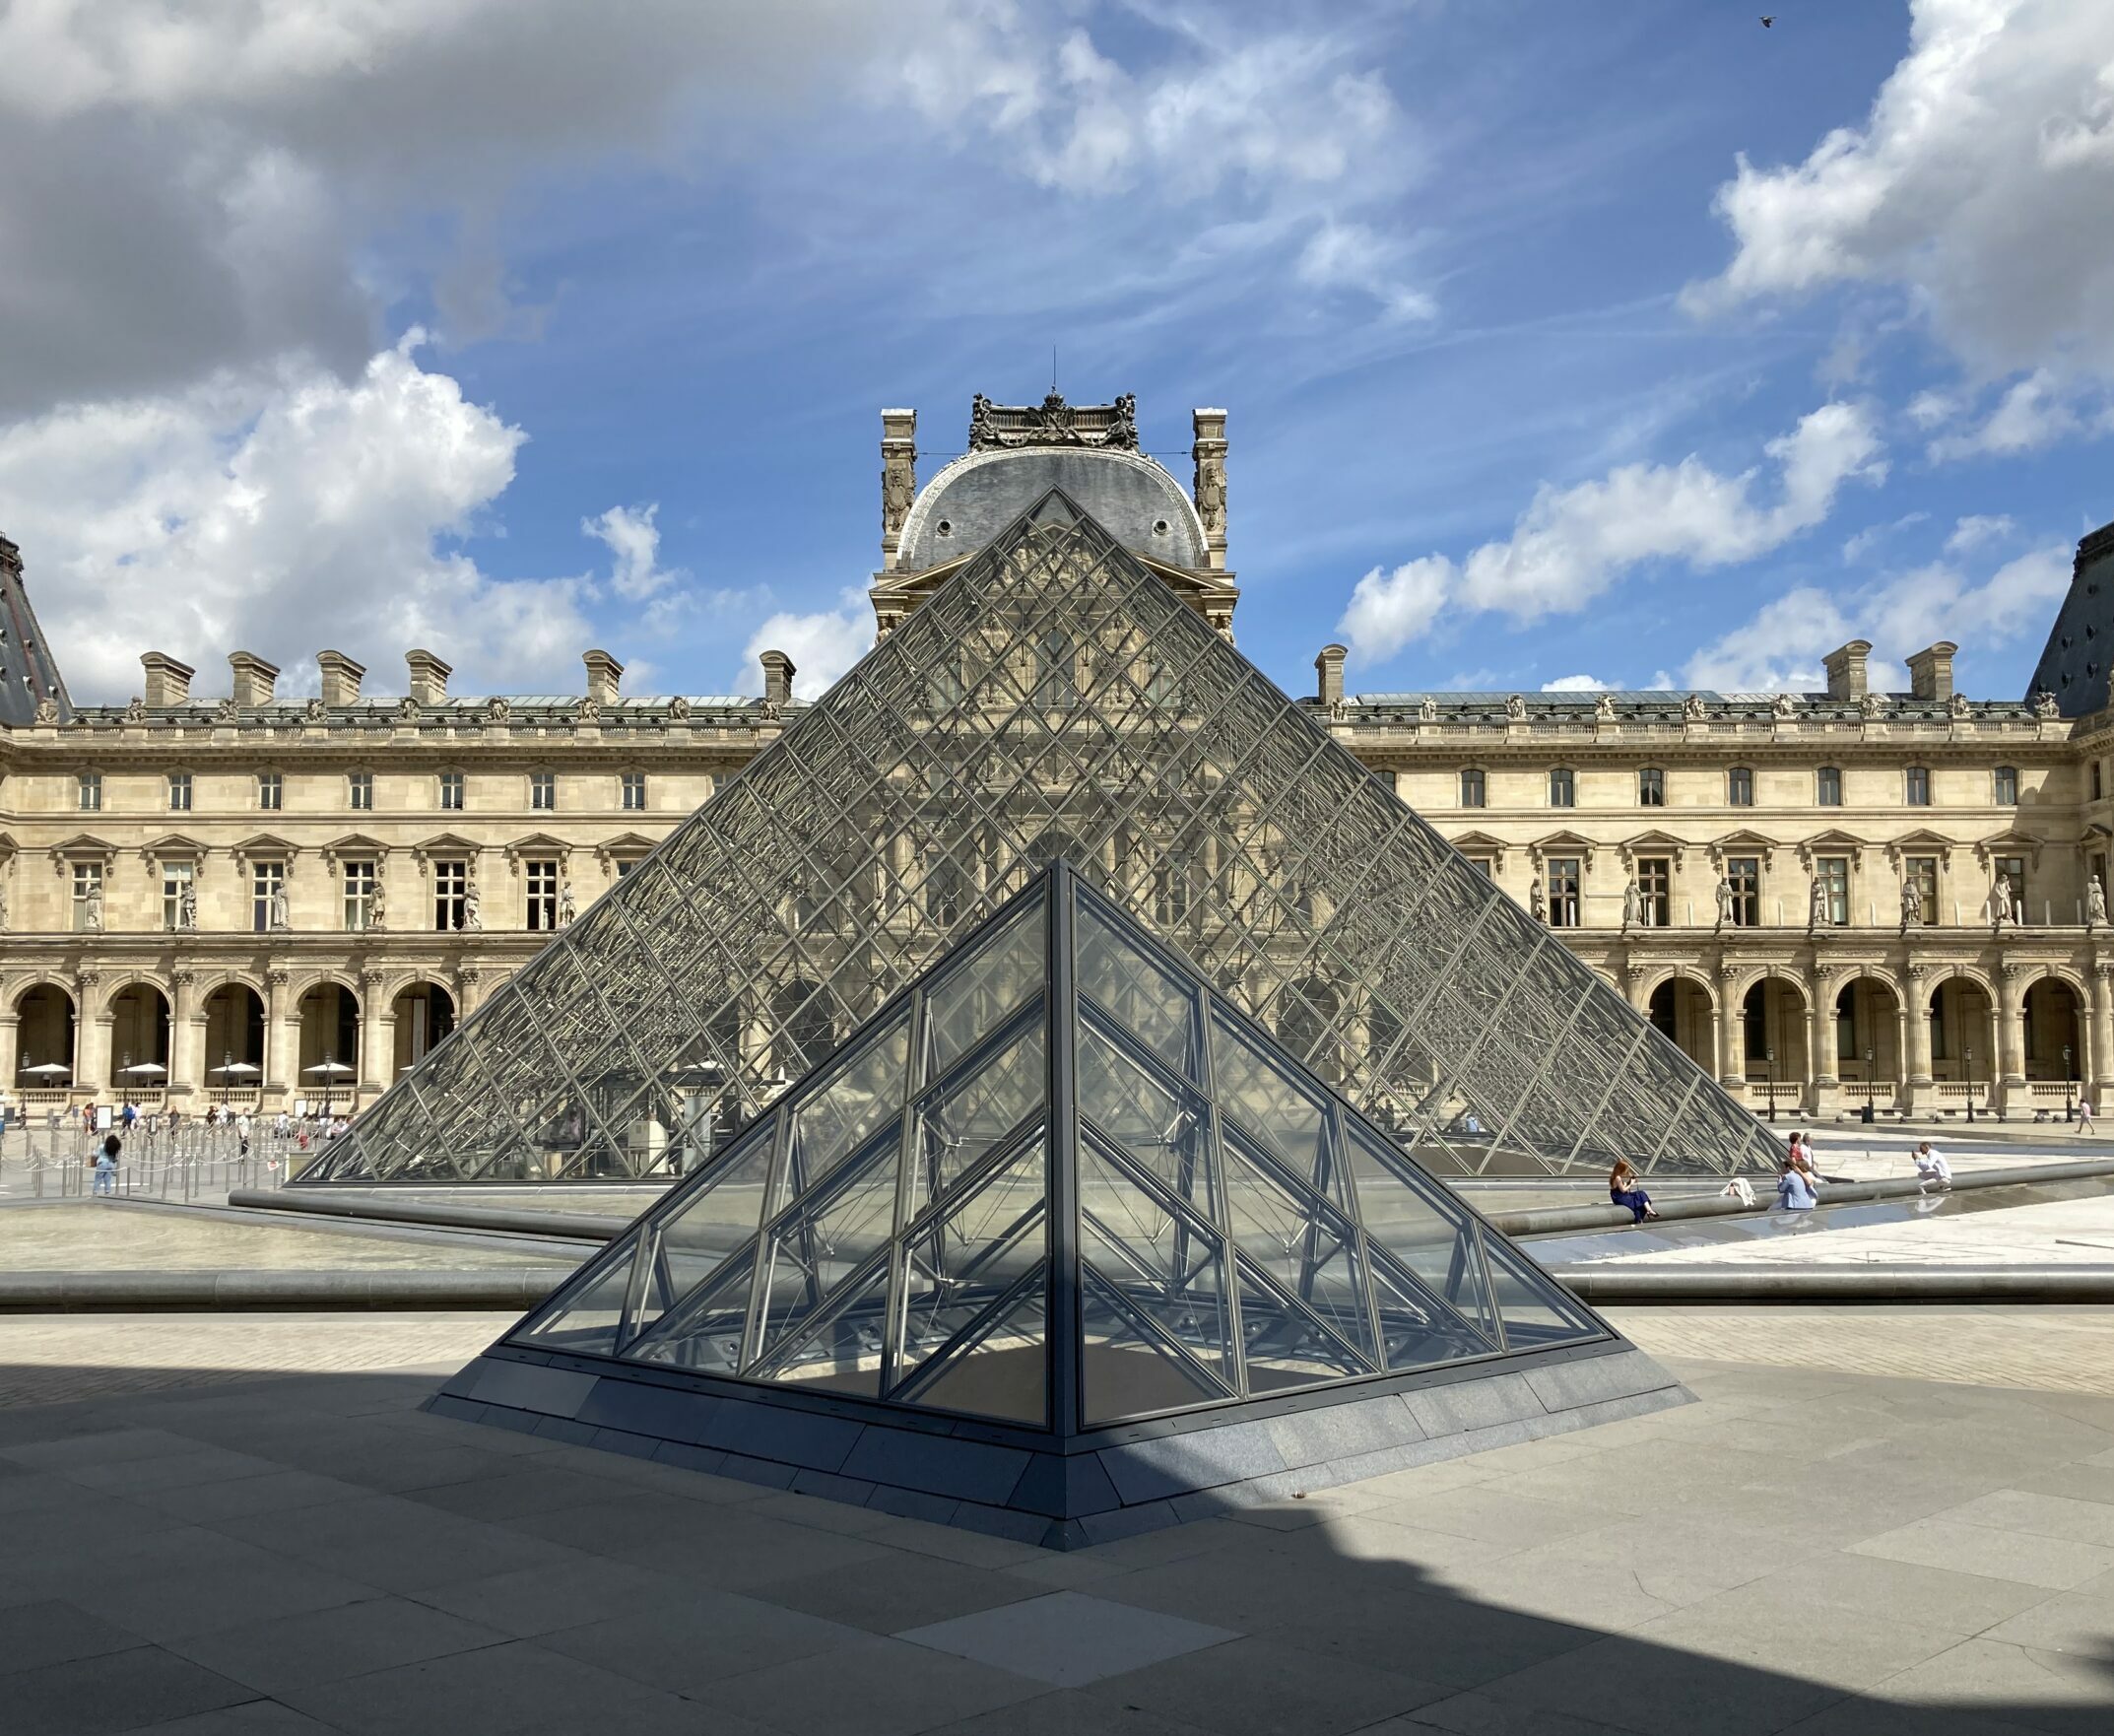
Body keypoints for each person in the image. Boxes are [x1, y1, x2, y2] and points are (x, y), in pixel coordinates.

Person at [1609, 1159, 1659, 1223]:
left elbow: (1622, 1186)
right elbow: (1623, 1190)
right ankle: (1639, 1219)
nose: (1626, 1172)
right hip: (1619, 1198)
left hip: (1623, 1196)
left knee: (1641, 1193)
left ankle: (1649, 1210)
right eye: (1625, 1170)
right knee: (1637, 1201)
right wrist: (1631, 1184)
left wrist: (1630, 1181)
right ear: (1621, 1169)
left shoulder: (1615, 1176)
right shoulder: (1617, 1177)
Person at [93, 1130, 120, 1197]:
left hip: (102, 1163)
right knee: (108, 1179)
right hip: (110, 1164)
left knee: (98, 1179)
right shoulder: (113, 1148)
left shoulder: (102, 1146)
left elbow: (96, 1155)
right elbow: (116, 1158)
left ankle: (95, 1192)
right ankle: (107, 1192)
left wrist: (92, 1152)